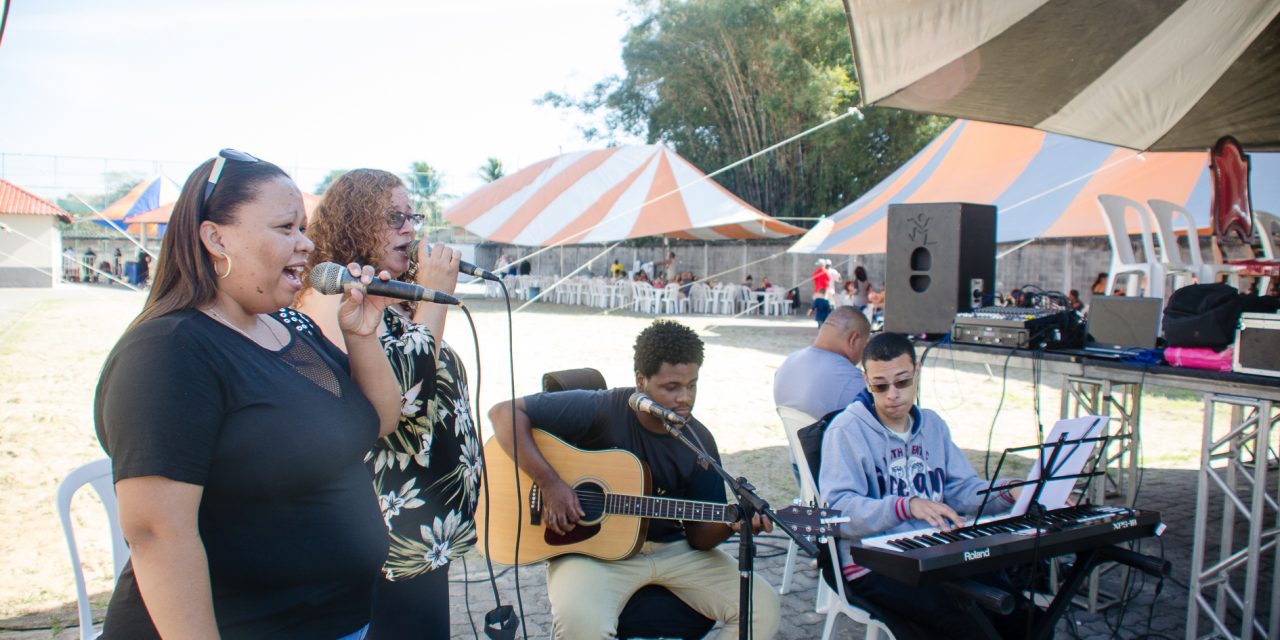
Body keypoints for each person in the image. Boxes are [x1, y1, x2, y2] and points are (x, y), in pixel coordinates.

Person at [93, 149, 401, 639]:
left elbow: (380, 421)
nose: (307, 244)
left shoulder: (288, 329)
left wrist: (363, 337)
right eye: (285, 228)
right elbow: (157, 533)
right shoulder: (169, 350)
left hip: (336, 621)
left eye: (304, 227)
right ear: (215, 237)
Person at [488, 320, 781, 639]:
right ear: (641, 381)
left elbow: (699, 538)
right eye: (672, 387)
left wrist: (732, 524)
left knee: (761, 608)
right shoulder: (600, 408)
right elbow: (503, 413)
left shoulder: (699, 443)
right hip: (591, 554)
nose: (685, 398)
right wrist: (551, 484)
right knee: (581, 625)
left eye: (692, 385)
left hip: (673, 551)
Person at [294, 168, 480, 639]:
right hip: (390, 526)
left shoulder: (387, 295)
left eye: (411, 216)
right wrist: (435, 300)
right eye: (393, 217)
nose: (409, 229)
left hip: (429, 525)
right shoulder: (328, 298)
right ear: (353, 223)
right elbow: (403, 404)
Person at [820, 333, 1035, 640]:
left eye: (902, 382)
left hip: (935, 554)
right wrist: (905, 505)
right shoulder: (846, 431)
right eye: (880, 385)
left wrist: (1008, 491)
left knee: (1021, 615)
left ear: (917, 372)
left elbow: (961, 491)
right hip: (873, 564)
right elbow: (837, 512)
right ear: (866, 381)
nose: (892, 394)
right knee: (962, 623)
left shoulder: (932, 425)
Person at [774, 306, 870, 420]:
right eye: (864, 346)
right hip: (831, 437)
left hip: (797, 437)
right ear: (853, 339)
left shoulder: (789, 361)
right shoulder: (851, 379)